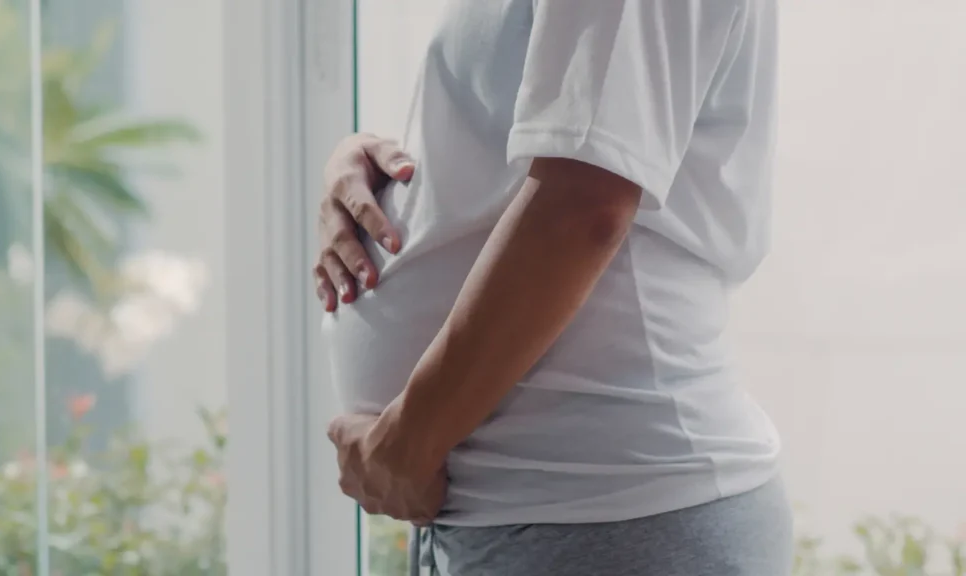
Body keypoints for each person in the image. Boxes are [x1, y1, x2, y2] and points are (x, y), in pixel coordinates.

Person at [317, 1, 792, 575]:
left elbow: (583, 206)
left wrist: (407, 442)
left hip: (607, 520)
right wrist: (379, 170)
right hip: (536, 513)